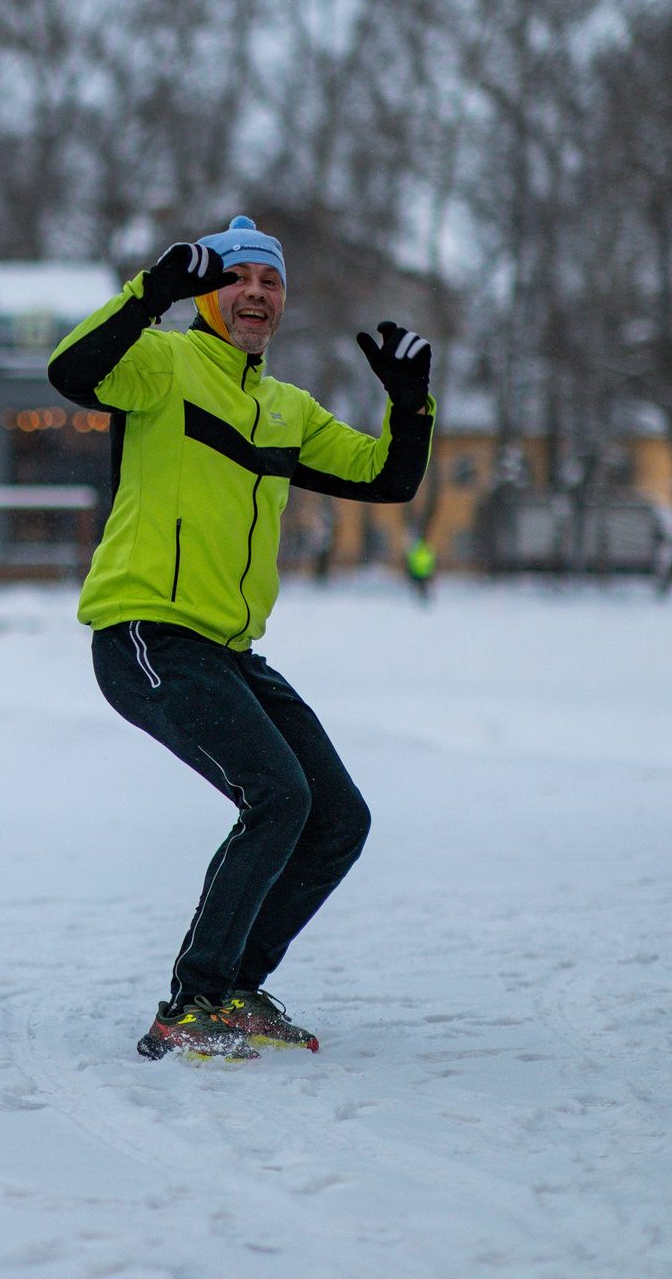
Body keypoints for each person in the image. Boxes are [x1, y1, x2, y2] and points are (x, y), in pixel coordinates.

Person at [47, 216, 433, 1062]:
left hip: (226, 650)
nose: (257, 294)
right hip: (145, 630)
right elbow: (71, 370)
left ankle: (237, 988)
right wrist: (153, 291)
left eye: (271, 283)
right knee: (277, 794)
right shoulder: (164, 364)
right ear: (211, 294)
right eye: (239, 279)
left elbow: (389, 476)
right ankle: (192, 1003)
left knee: (337, 817)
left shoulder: (284, 409)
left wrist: (410, 406)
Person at [405, 534, 436, 604]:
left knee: (417, 586)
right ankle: (423, 598)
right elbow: (431, 561)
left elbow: (410, 560)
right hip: (424, 572)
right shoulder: (427, 552)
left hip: (417, 572)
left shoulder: (415, 551)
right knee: (423, 587)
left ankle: (417, 599)